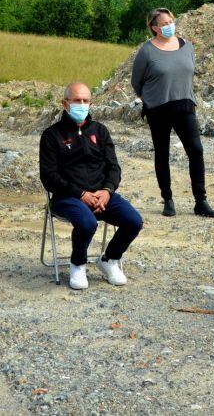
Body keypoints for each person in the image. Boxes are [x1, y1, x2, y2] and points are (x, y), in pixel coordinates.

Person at [39, 82, 144, 290]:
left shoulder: (100, 131)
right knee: (87, 223)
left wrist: (107, 191)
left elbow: (114, 168)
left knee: (134, 221)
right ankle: (78, 264)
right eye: (77, 100)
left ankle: (109, 260)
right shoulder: (52, 135)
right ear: (65, 103)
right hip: (67, 197)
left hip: (101, 195)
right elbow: (49, 177)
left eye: (86, 101)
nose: (82, 105)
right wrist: (81, 194)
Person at [130, 7, 214, 218]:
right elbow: (136, 81)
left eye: (171, 21)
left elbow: (189, 71)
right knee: (163, 153)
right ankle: (168, 199)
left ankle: (201, 201)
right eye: (165, 23)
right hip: (158, 108)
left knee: (195, 150)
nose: (170, 25)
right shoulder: (147, 51)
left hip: (184, 104)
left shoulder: (186, 46)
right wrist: (149, 99)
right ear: (154, 27)